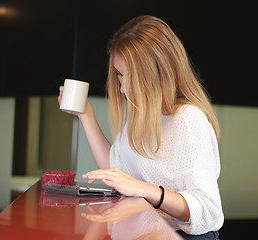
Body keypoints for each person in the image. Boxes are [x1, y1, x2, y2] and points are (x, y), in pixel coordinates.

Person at [58, 15, 223, 239]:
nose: (122, 88)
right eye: (118, 74)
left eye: (127, 76)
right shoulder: (143, 115)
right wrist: (85, 115)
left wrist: (145, 190)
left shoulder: (187, 119)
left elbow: (209, 211)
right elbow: (116, 169)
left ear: (154, 74)